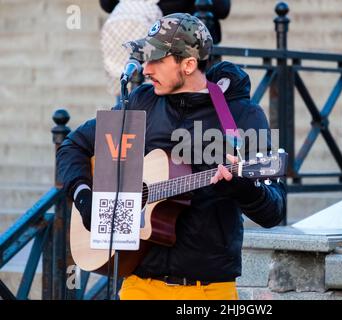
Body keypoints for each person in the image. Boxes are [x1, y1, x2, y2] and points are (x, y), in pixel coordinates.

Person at [56, 13, 286, 300]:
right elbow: (74, 145)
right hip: (138, 285)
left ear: (189, 64)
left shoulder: (240, 116)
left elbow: (274, 210)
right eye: (145, 58)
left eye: (156, 60)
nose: (146, 68)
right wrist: (84, 196)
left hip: (207, 292)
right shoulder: (141, 102)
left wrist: (241, 185)